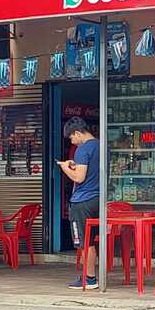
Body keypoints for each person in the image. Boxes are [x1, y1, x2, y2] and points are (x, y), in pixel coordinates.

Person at [58, 117, 100, 290]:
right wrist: (75, 165)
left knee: (84, 242)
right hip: (98, 199)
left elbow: (79, 177)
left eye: (71, 138)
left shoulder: (82, 149)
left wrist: (65, 167)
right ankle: (90, 277)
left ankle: (89, 278)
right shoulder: (100, 145)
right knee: (91, 240)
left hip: (82, 201)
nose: (72, 141)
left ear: (77, 133)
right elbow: (92, 170)